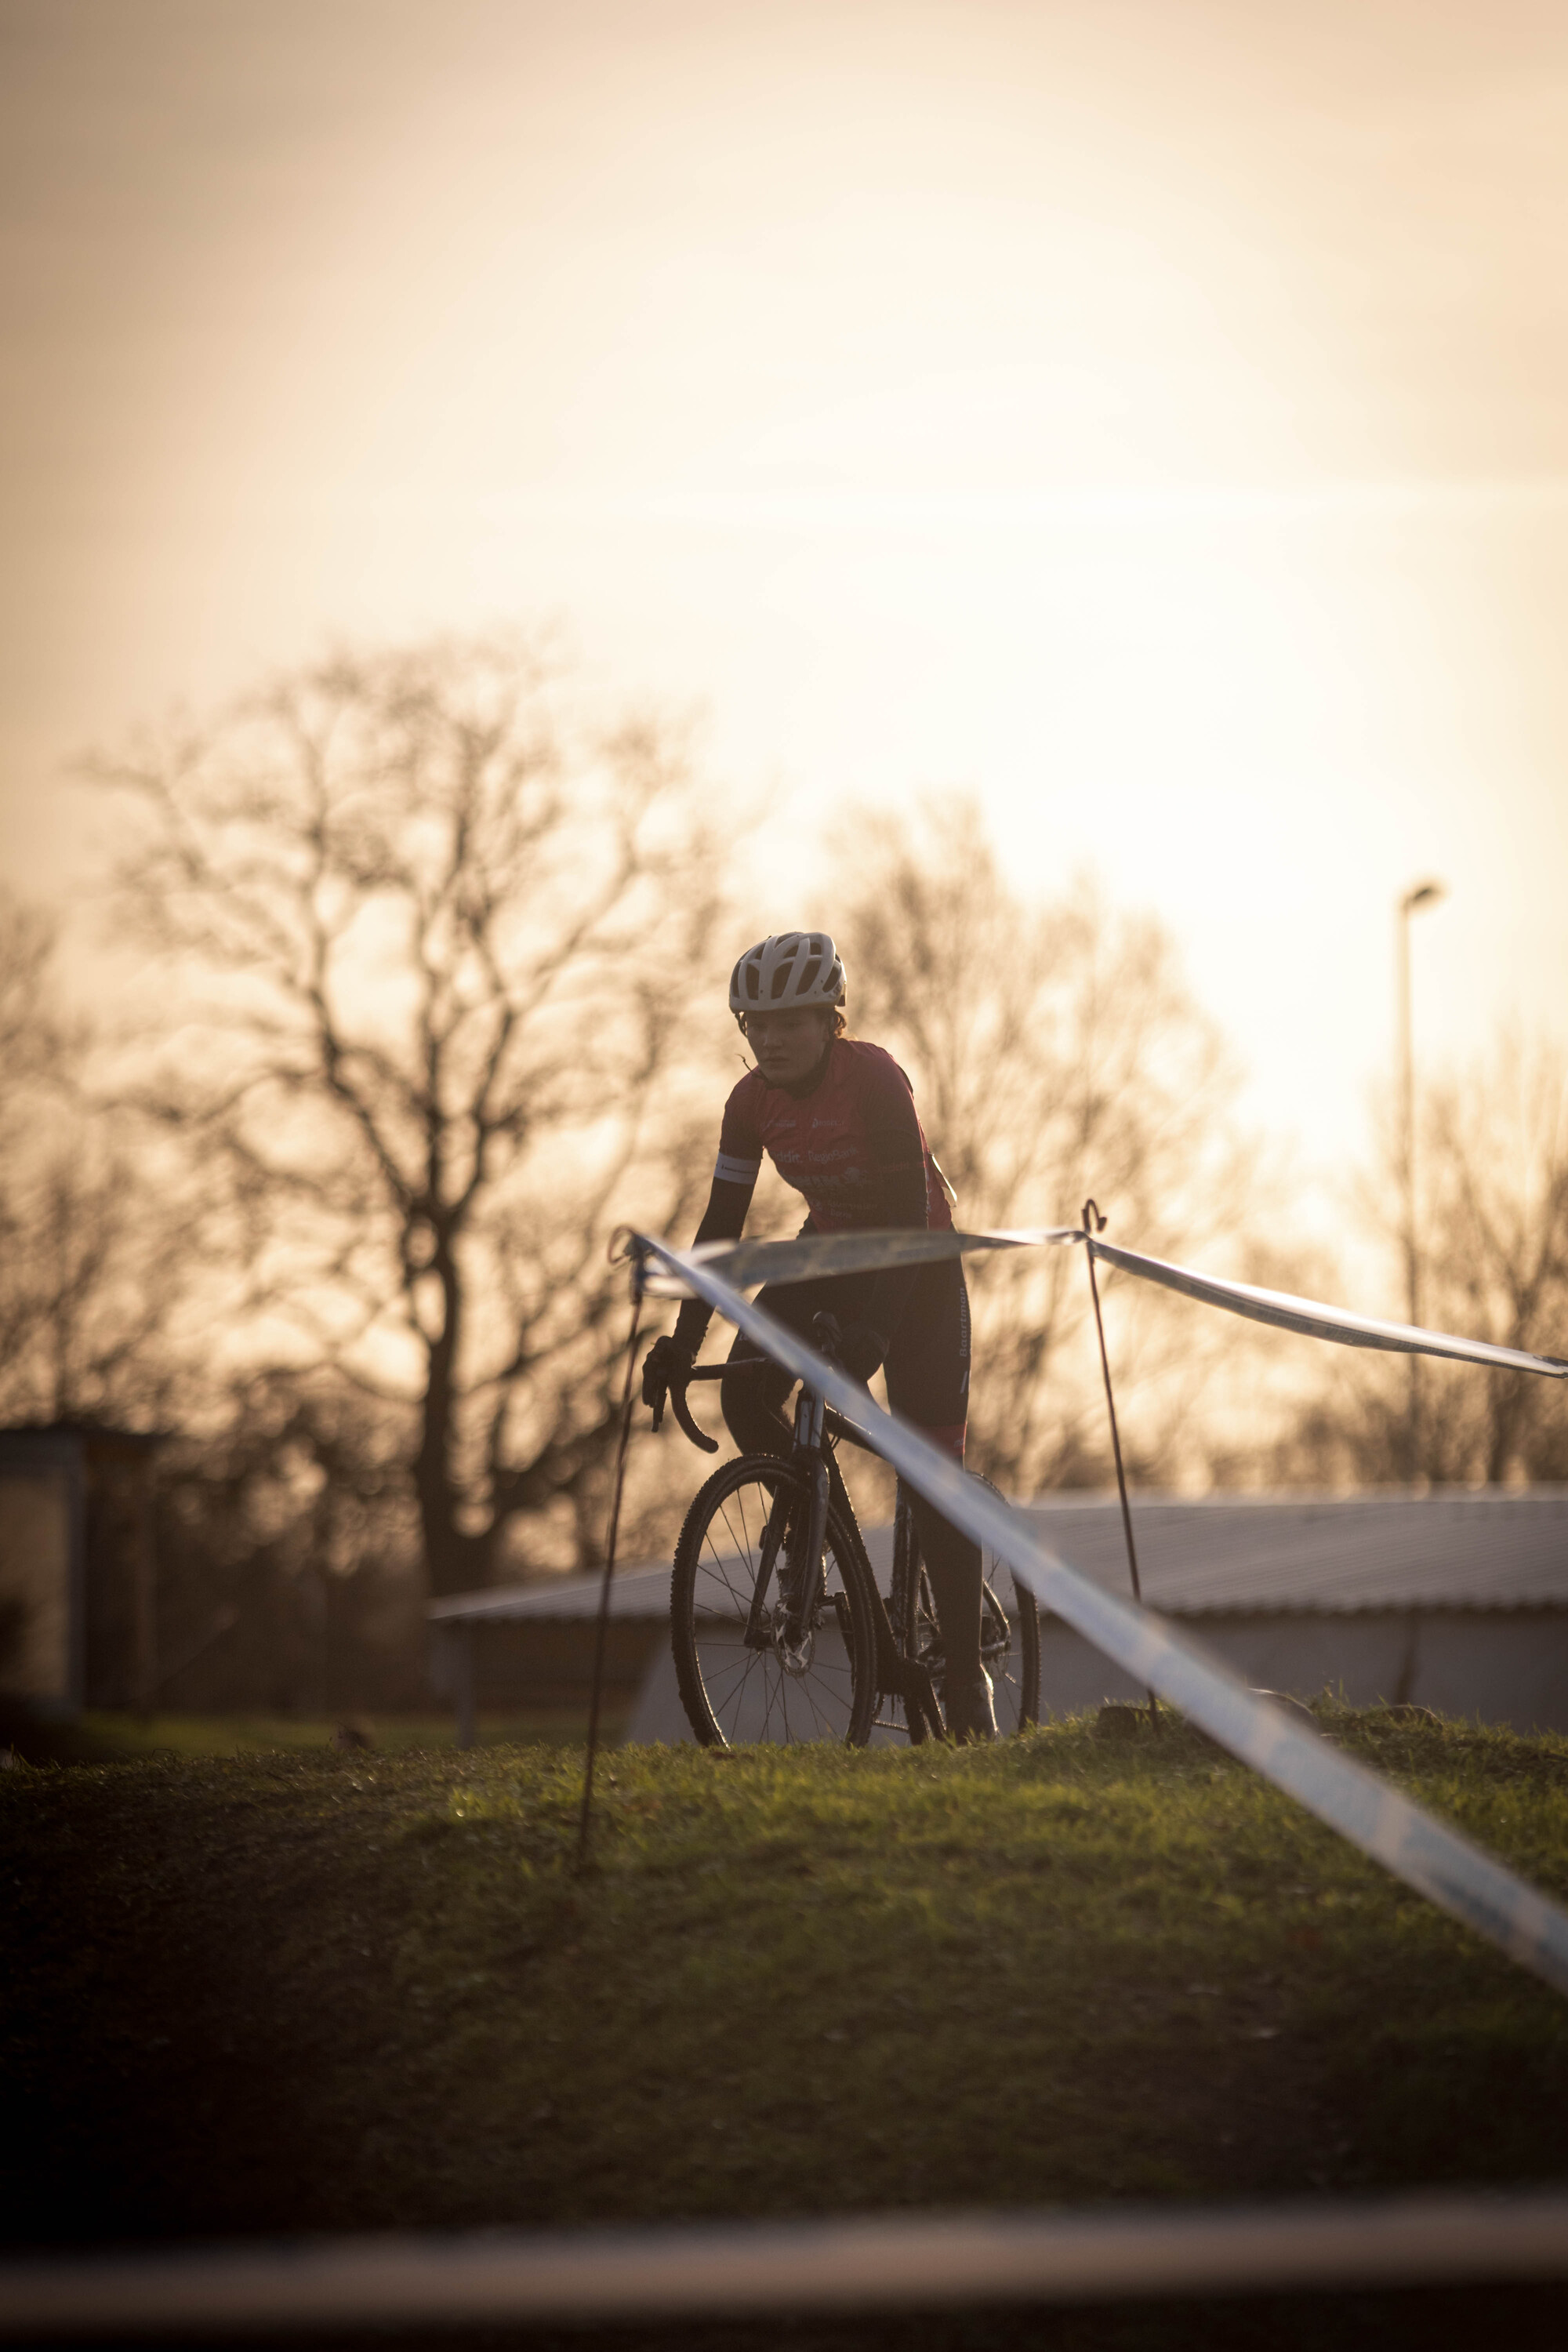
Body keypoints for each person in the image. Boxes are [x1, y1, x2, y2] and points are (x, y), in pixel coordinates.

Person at [641, 929, 995, 1740]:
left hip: (918, 1265)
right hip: (829, 1253)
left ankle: (968, 1676)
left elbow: (909, 1214)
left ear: (829, 1020)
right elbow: (721, 1228)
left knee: (931, 1468)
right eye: (754, 1025)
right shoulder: (748, 1104)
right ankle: (819, 1532)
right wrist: (682, 1339)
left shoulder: (870, 1077)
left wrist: (876, 1328)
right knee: (745, 1392)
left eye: (788, 1024)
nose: (769, 1040)